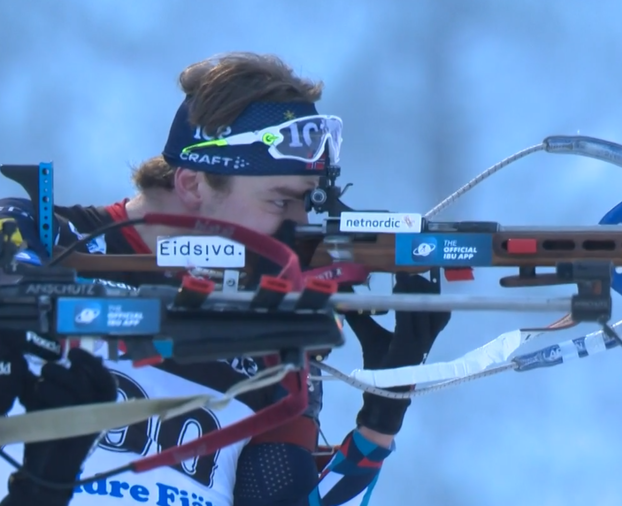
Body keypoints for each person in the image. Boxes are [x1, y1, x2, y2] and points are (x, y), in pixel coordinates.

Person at [0, 52, 451, 506]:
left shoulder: (267, 330)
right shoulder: (46, 240)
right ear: (194, 184)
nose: (300, 226)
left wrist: (381, 418)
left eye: (307, 203)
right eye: (280, 203)